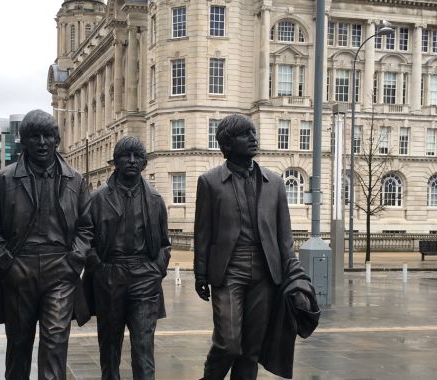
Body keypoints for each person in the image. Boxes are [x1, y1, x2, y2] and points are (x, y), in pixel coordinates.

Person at [0, 109, 92, 380]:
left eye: (48, 136)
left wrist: (73, 262)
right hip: (20, 268)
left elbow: (87, 227)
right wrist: (5, 262)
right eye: (34, 136)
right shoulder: (3, 180)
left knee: (55, 341)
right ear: (23, 141)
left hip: (60, 270)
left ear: (57, 140)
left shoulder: (75, 180)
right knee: (19, 344)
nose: (42, 142)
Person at [193, 114, 296, 380]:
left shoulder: (274, 183)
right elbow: (203, 232)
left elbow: (285, 236)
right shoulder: (210, 181)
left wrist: (293, 274)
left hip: (265, 271)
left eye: (253, 132)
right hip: (228, 269)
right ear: (227, 145)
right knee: (228, 342)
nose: (253, 138)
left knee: (251, 350)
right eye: (245, 134)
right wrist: (200, 273)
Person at [83, 136, 171, 380]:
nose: (132, 161)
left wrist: (157, 270)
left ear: (144, 163)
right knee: (110, 347)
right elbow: (85, 239)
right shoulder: (98, 198)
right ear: (116, 162)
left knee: (144, 348)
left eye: (137, 157)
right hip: (110, 273)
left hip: (145, 275)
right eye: (125, 156)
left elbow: (165, 243)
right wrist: (99, 269)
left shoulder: (155, 200)